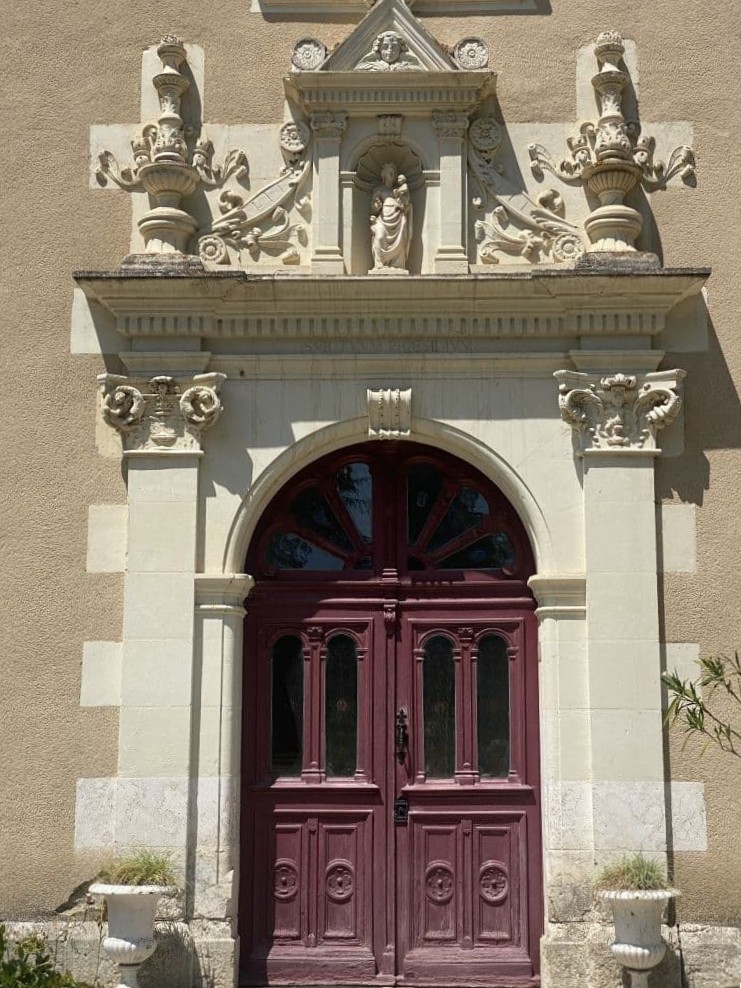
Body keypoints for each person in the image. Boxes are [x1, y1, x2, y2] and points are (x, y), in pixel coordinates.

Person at [370, 163, 412, 271]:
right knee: (379, 237)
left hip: (397, 217)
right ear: (384, 175)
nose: (392, 174)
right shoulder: (379, 190)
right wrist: (377, 205)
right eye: (390, 172)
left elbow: (405, 202)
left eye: (394, 172)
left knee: (402, 233)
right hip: (383, 219)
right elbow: (374, 208)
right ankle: (379, 263)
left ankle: (397, 265)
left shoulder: (397, 190)